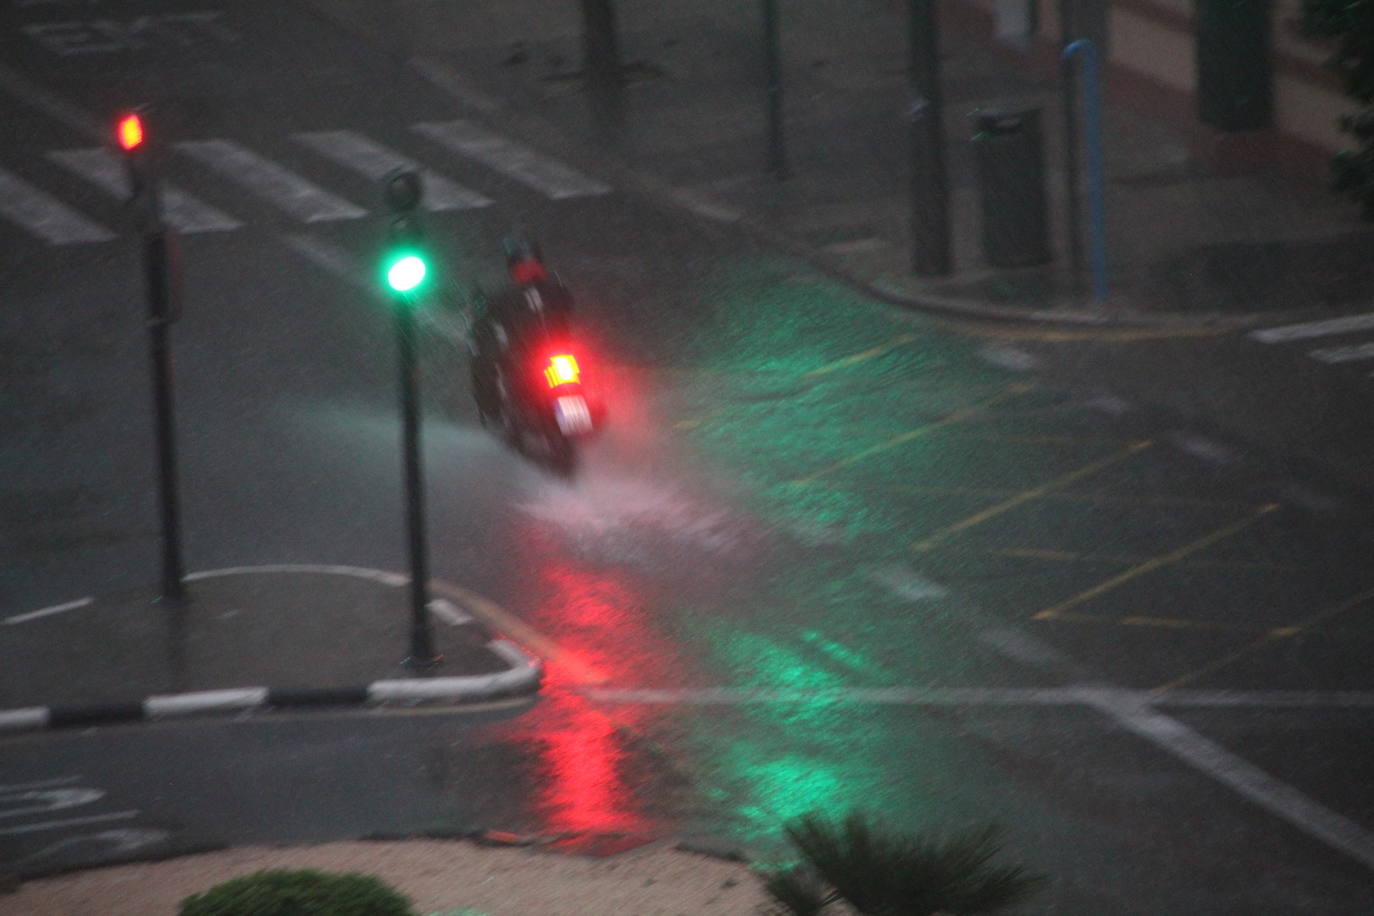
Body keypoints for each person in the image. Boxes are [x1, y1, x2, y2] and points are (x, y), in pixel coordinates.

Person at [469, 234, 574, 425]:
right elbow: (568, 306)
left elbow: (486, 316)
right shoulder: (554, 287)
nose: (529, 270)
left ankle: (498, 413)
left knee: (488, 364)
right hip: (557, 352)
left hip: (532, 354)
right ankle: (506, 412)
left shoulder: (506, 294)